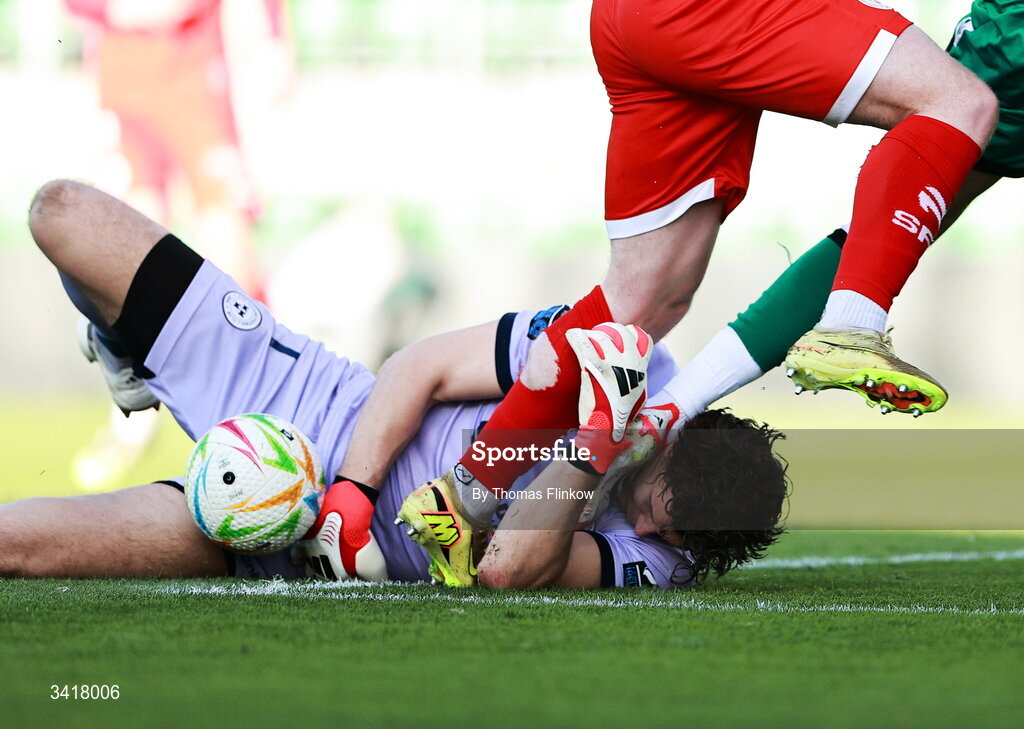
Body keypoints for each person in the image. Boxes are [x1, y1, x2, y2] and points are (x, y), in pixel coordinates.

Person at [392, 0, 1000, 584]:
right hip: (710, 10)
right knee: (959, 103)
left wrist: (670, 408)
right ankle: (852, 325)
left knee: (643, 304)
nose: (648, 526)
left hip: (638, 21)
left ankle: (466, 494)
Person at [0, 180, 788, 590]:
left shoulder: (666, 557)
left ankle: (134, 353)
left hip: (275, 536)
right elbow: (424, 365)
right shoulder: (624, 354)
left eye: (669, 538)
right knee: (61, 215)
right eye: (655, 507)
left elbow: (508, 567)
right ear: (674, 437)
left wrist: (595, 445)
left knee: (17, 547)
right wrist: (354, 485)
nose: (644, 532)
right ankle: (124, 346)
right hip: (310, 396)